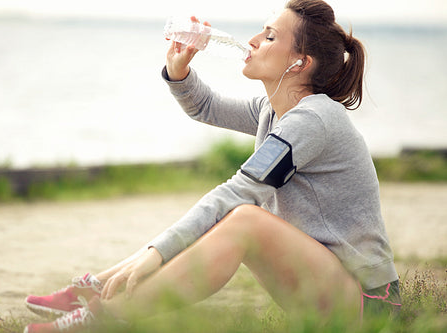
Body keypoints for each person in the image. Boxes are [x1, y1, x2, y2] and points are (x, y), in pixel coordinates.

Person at [23, 0, 401, 332]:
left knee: (244, 217)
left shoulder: (313, 120)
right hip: (325, 285)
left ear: (300, 63)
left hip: (370, 306)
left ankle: (103, 318)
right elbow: (206, 107)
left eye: (269, 37)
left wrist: (157, 251)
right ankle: (97, 290)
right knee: (237, 215)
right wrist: (179, 72)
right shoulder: (276, 111)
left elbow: (240, 191)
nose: (252, 41)